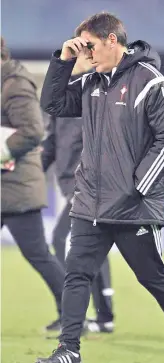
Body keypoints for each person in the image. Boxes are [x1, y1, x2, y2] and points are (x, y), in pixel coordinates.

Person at [35, 12, 164, 363]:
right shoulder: (91, 82)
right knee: (77, 274)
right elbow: (52, 105)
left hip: (132, 206)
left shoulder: (153, 83)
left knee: (153, 278)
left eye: (90, 45)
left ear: (113, 40)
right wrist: (63, 60)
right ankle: (69, 350)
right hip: (89, 202)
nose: (87, 53)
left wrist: (139, 185)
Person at [42, 54, 114, 334]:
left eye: (84, 56)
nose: (79, 62)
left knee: (62, 240)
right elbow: (51, 141)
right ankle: (103, 315)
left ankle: (73, 313)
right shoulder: (62, 98)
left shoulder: (94, 93)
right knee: (91, 247)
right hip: (68, 182)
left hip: (86, 183)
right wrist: (34, 170)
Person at [1, 37, 65, 330]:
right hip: (7, 185)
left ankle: (73, 315)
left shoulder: (14, 84)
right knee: (40, 254)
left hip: (17, 188)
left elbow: (32, 130)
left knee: (38, 254)